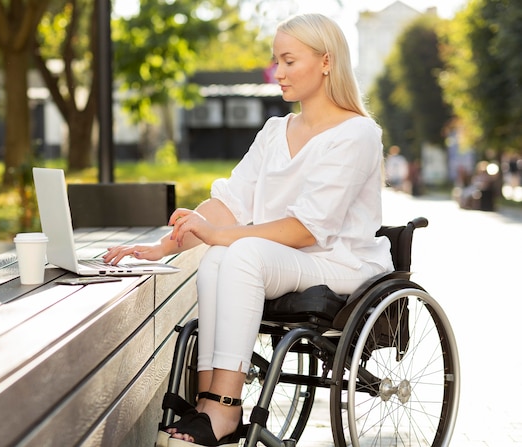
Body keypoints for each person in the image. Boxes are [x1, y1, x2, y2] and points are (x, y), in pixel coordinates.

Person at [103, 12, 393, 447]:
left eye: (290, 61)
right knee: (221, 254)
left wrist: (222, 235)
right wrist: (165, 245)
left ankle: (225, 407)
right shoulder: (276, 131)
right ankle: (207, 405)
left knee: (238, 252)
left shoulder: (357, 134)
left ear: (327, 61)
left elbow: (306, 230)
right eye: (277, 61)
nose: (279, 73)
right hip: (281, 260)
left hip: (339, 262)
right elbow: (229, 203)